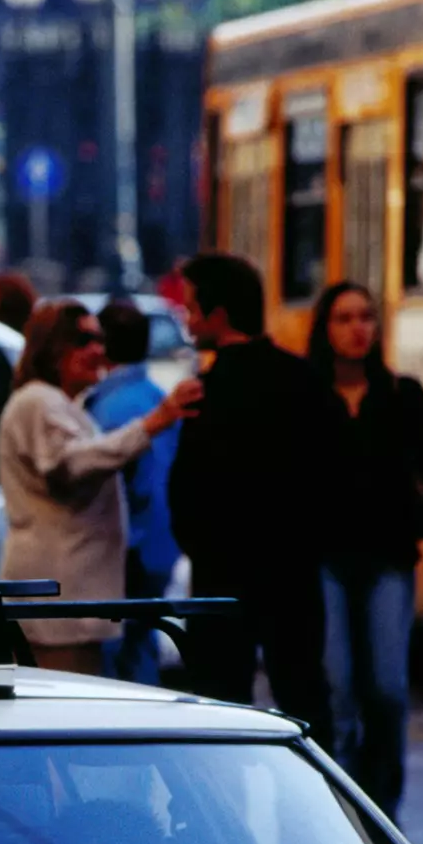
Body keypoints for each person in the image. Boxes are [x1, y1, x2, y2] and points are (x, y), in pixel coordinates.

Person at [168, 252, 336, 742]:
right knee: (305, 702)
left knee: (219, 713)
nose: (188, 320)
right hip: (293, 575)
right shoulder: (303, 380)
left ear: (219, 317)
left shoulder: (206, 391)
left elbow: (187, 488)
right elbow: (327, 475)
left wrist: (201, 547)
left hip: (222, 579)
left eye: (193, 309)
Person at [308, 280, 423, 818]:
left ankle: (386, 815)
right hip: (322, 561)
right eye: (345, 318)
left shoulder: (402, 395)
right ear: (326, 329)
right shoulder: (307, 395)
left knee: (389, 691)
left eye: (366, 317)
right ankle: (344, 818)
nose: (358, 329)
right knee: (340, 691)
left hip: (388, 561)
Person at [0, 300, 196, 675]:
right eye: (83, 339)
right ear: (52, 346)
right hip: (59, 609)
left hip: (70, 605)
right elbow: (69, 464)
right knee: (64, 723)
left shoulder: (61, 403)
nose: (98, 351)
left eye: (100, 340)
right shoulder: (39, 401)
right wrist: (154, 422)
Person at [85, 297, 182, 685]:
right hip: (161, 548)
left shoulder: (109, 408)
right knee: (143, 650)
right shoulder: (157, 396)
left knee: (113, 667)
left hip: (129, 553)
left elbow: (124, 486)